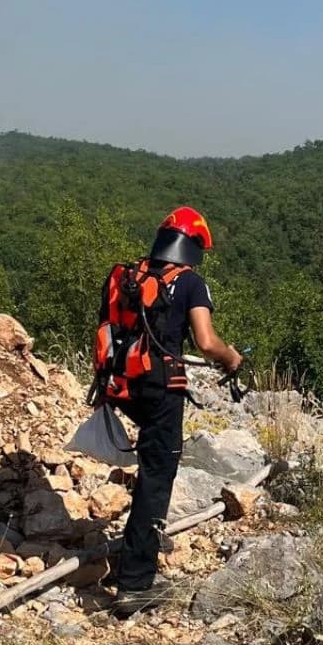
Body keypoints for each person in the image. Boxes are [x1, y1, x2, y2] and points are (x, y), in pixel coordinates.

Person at [96, 207, 243, 615]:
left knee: (150, 468)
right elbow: (206, 342)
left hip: (124, 386)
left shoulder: (133, 275)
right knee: (156, 477)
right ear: (193, 246)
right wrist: (232, 359)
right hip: (162, 389)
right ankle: (135, 586)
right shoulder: (191, 282)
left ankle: (143, 540)